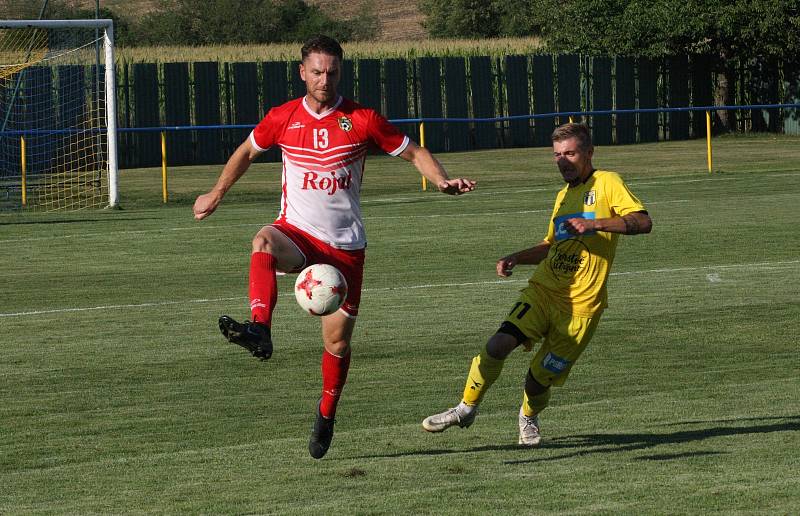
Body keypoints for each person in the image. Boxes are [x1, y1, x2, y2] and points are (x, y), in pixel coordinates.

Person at [193, 35, 475, 459]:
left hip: (345, 250)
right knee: (262, 240)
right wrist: (216, 193)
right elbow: (247, 152)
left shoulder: (362, 118)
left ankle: (326, 413)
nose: (325, 79)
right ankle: (260, 330)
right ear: (303, 72)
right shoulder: (283, 117)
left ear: (340, 72)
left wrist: (441, 180)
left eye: (333, 72)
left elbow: (413, 151)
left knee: (337, 345)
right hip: (299, 233)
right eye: (318, 71)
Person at [422, 122, 651, 446]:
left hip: (581, 308)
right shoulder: (563, 197)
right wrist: (516, 257)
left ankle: (528, 417)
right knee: (497, 345)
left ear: (588, 152)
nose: (563, 160)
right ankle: (465, 408)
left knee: (539, 379)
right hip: (544, 291)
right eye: (557, 154)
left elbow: (643, 221)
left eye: (570, 153)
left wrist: (595, 223)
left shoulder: (608, 182)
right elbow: (550, 245)